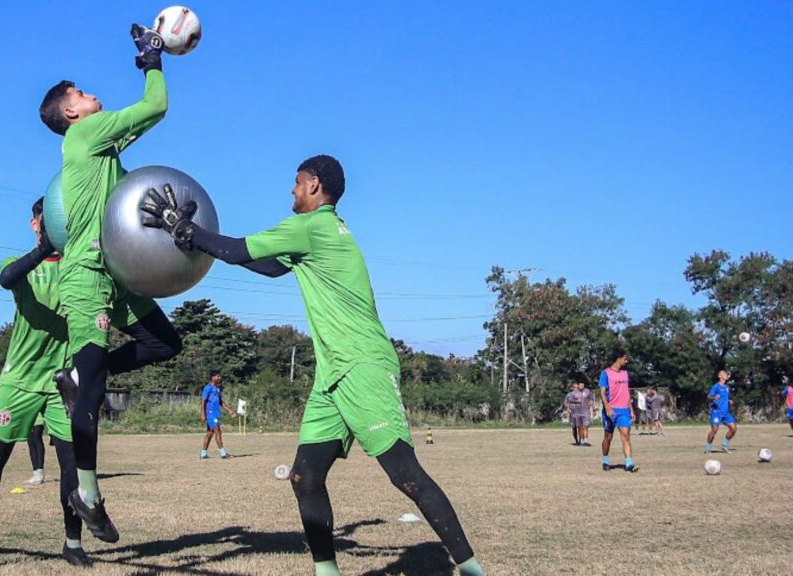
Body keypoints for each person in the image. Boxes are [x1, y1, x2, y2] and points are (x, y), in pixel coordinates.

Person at [140, 155, 485, 576]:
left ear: (315, 185)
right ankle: (327, 572)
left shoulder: (313, 227)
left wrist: (190, 231)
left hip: (361, 365)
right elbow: (266, 266)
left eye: (297, 182)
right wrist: (195, 238)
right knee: (305, 476)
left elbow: (239, 249)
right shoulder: (317, 235)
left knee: (404, 473)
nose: (292, 189)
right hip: (331, 376)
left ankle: (471, 570)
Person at [38, 24, 182, 542]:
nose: (89, 93)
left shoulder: (99, 144)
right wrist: (152, 63)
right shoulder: (83, 134)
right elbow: (155, 106)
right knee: (93, 389)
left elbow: (142, 124)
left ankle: (78, 379)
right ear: (71, 113)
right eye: (79, 93)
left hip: (118, 272)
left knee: (165, 343)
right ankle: (89, 493)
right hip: (87, 277)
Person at [0, 198, 90, 569]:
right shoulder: (21, 266)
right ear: (35, 224)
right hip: (20, 381)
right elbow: (5, 279)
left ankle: (72, 544)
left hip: (63, 384)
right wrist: (43, 249)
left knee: (72, 466)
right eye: (50, 218)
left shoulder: (81, 269)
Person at [599, 348, 638, 472]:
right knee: (608, 437)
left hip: (624, 410)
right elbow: (602, 392)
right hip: (610, 410)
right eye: (625, 358)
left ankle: (629, 463)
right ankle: (605, 460)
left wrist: (631, 410)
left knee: (626, 435)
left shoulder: (625, 374)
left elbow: (627, 393)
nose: (626, 361)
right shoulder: (605, 373)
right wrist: (607, 407)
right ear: (619, 358)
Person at [201, 370, 237, 458]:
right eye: (217, 376)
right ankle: (223, 453)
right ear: (212, 377)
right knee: (218, 431)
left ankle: (203, 454)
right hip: (210, 413)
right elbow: (203, 401)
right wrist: (202, 414)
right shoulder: (208, 388)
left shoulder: (217, 389)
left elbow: (221, 402)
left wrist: (229, 410)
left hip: (216, 413)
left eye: (219, 376)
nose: (219, 378)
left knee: (209, 433)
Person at [704, 369, 737, 453]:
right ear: (720, 376)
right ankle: (707, 447)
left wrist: (729, 401)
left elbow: (725, 397)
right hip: (716, 412)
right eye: (724, 374)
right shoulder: (716, 387)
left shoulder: (726, 387)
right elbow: (708, 397)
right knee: (714, 430)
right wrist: (714, 397)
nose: (726, 375)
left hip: (725, 412)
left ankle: (724, 445)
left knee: (733, 429)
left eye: (726, 374)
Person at [564, 379, 592, 446]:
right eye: (574, 387)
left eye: (577, 387)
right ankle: (577, 440)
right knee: (575, 427)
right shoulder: (570, 394)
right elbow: (566, 402)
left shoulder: (586, 392)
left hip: (582, 412)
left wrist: (592, 408)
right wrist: (568, 409)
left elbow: (590, 400)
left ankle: (582, 440)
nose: (576, 388)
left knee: (583, 426)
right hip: (573, 413)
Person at [26, 415, 46, 485]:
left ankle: (40, 471)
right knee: (31, 444)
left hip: (38, 420)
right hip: (28, 421)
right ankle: (36, 473)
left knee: (37, 440)